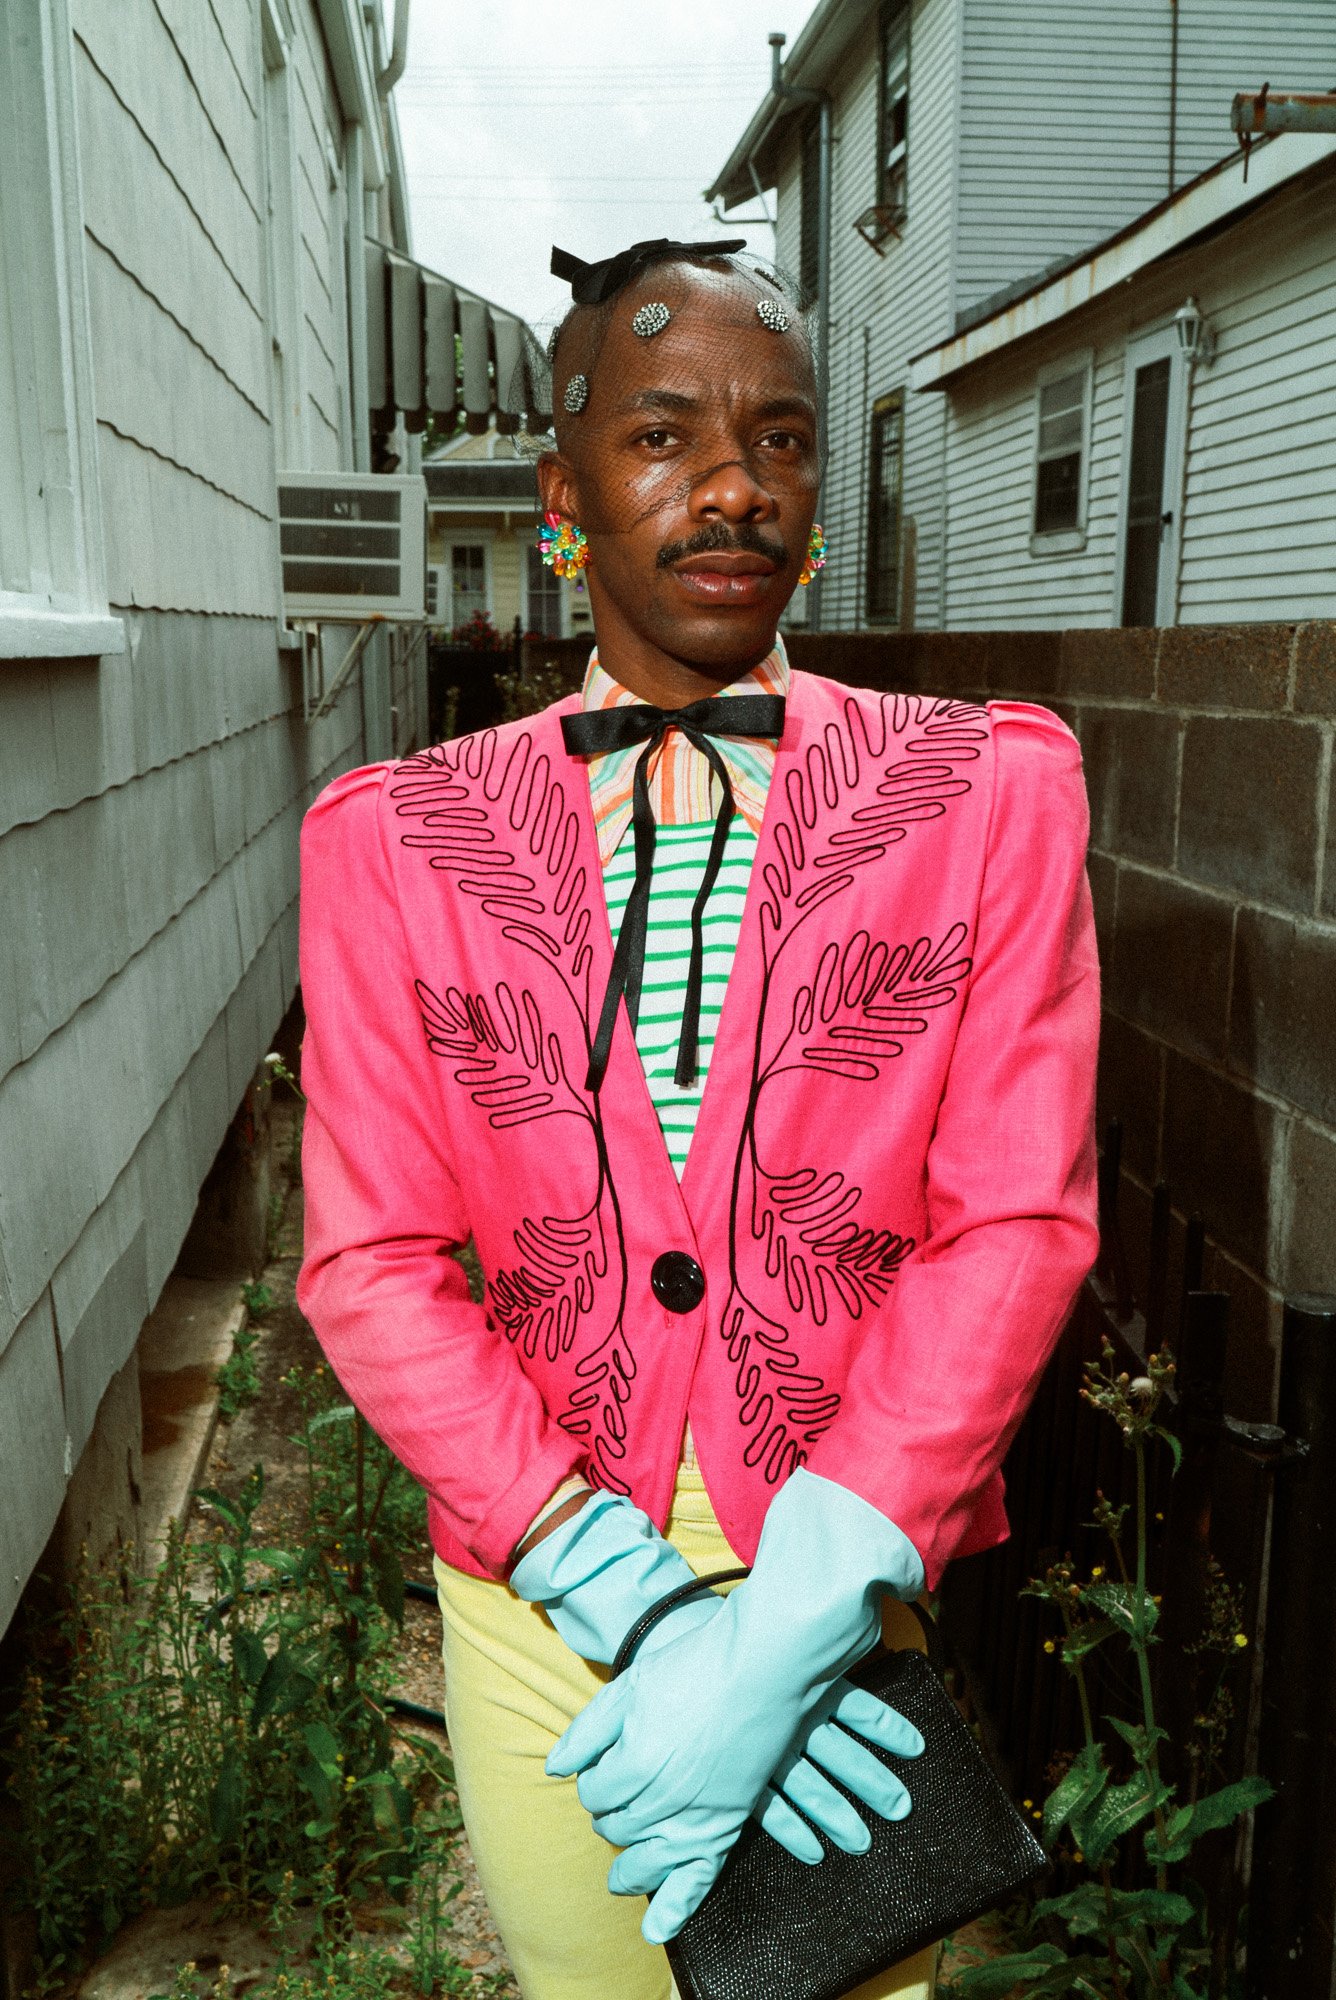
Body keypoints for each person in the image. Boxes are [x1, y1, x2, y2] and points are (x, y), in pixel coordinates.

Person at [297, 238, 1101, 2000]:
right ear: (563, 497)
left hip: (845, 1567)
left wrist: (791, 1624)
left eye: (781, 438)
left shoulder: (979, 793)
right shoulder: (397, 840)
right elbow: (370, 1263)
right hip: (541, 1589)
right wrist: (634, 1600)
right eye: (663, 437)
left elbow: (1018, 1219)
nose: (735, 486)